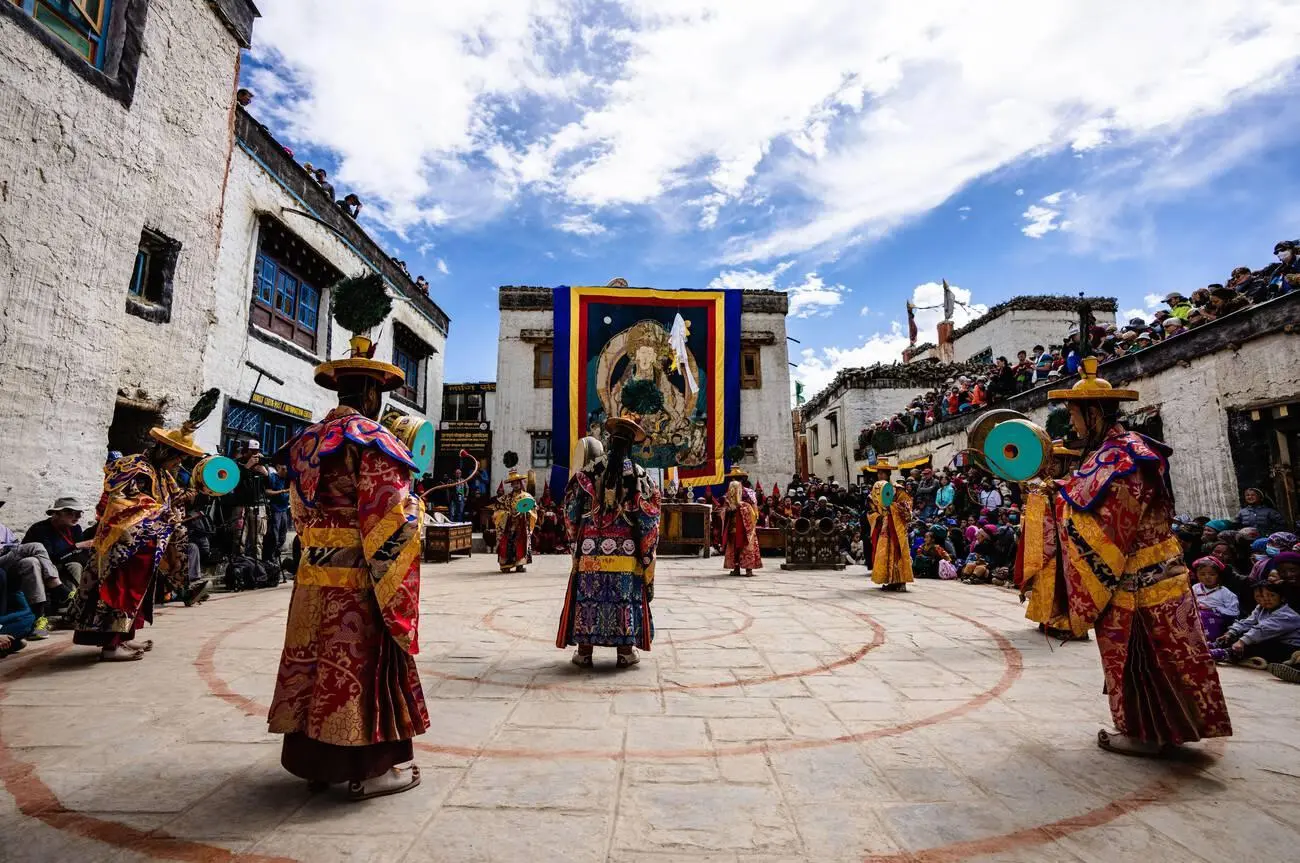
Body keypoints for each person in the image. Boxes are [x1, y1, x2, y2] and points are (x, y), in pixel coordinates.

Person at [1040, 358, 1231, 756]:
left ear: (1093, 414)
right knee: (1168, 655)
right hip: (1158, 570)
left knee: (1141, 655)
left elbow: (1110, 521)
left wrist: (1056, 502)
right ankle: (1167, 730)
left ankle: (1146, 734)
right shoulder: (1122, 451)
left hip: (1138, 577)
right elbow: (1085, 493)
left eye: (1075, 415)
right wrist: (1059, 490)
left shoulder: (1123, 458)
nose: (1072, 425)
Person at [268, 330, 428, 800]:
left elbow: (300, 514)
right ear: (373, 392)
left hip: (313, 577)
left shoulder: (305, 443)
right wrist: (417, 513)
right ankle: (371, 770)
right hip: (358, 581)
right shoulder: (373, 441)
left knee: (313, 661)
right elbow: (388, 517)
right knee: (359, 667)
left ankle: (317, 764)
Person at [68, 404, 215, 661]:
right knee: (121, 590)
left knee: (137, 591)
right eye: (176, 458)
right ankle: (111, 646)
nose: (177, 464)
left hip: (148, 541)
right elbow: (124, 502)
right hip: (124, 543)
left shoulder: (162, 473)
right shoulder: (134, 467)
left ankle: (124, 639)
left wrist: (193, 494)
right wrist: (162, 513)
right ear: (165, 451)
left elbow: (173, 497)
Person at [556, 419, 660, 668]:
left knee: (588, 596)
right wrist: (646, 552)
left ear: (610, 441)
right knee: (623, 595)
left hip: (591, 549)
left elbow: (570, 511)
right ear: (631, 446)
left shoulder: (587, 473)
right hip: (626, 551)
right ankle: (625, 651)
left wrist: (576, 542)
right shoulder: (639, 475)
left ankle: (584, 652)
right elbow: (649, 518)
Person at [1212, 580, 1300, 666]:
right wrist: (1231, 633)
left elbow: (1263, 629)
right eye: (1260, 596)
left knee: (1258, 643)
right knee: (1236, 635)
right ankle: (1216, 645)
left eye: (1271, 595)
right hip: (1269, 638)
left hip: (1288, 647)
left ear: (1282, 598)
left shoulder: (1288, 616)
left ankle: (1226, 654)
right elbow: (1247, 622)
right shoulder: (1261, 608)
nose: (1266, 599)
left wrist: (1242, 641)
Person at [868, 463, 913, 591]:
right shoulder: (875, 490)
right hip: (884, 525)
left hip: (896, 525)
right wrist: (878, 516)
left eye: (882, 473)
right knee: (885, 553)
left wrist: (891, 507)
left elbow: (907, 507)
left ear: (888, 475)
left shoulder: (898, 489)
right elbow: (872, 509)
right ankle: (889, 580)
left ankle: (901, 581)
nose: (880, 475)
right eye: (878, 473)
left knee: (898, 551)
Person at [494, 471, 536, 572]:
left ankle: (520, 564)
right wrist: (506, 514)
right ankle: (505, 565)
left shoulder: (526, 496)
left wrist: (525, 512)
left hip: (521, 524)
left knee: (520, 544)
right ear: (511, 485)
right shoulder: (506, 498)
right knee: (506, 544)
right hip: (508, 525)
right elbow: (498, 509)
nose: (516, 485)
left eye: (517, 483)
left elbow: (533, 508)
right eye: (514, 483)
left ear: (520, 483)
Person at [721, 472, 761, 577]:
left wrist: (741, 506)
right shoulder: (728, 495)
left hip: (745, 526)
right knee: (735, 547)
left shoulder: (749, 493)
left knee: (747, 546)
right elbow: (725, 509)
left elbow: (754, 510)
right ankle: (736, 568)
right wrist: (728, 509)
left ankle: (749, 569)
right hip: (733, 525)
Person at [1192, 556, 1240, 643]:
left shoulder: (1224, 592)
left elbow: (1234, 612)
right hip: (1197, 615)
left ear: (1218, 575)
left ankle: (1210, 643)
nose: (1207, 577)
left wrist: (1214, 609)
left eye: (1212, 574)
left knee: (1204, 616)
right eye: (1202, 574)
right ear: (1197, 575)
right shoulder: (1195, 588)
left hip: (1216, 618)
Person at [262, 463, 291, 564]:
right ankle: (269, 557)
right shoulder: (273, 477)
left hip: (284, 509)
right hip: (275, 509)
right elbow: (267, 492)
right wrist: (282, 491)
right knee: (274, 535)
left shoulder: (288, 479)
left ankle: (275, 553)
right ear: (278, 467)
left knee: (283, 534)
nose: (285, 471)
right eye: (283, 469)